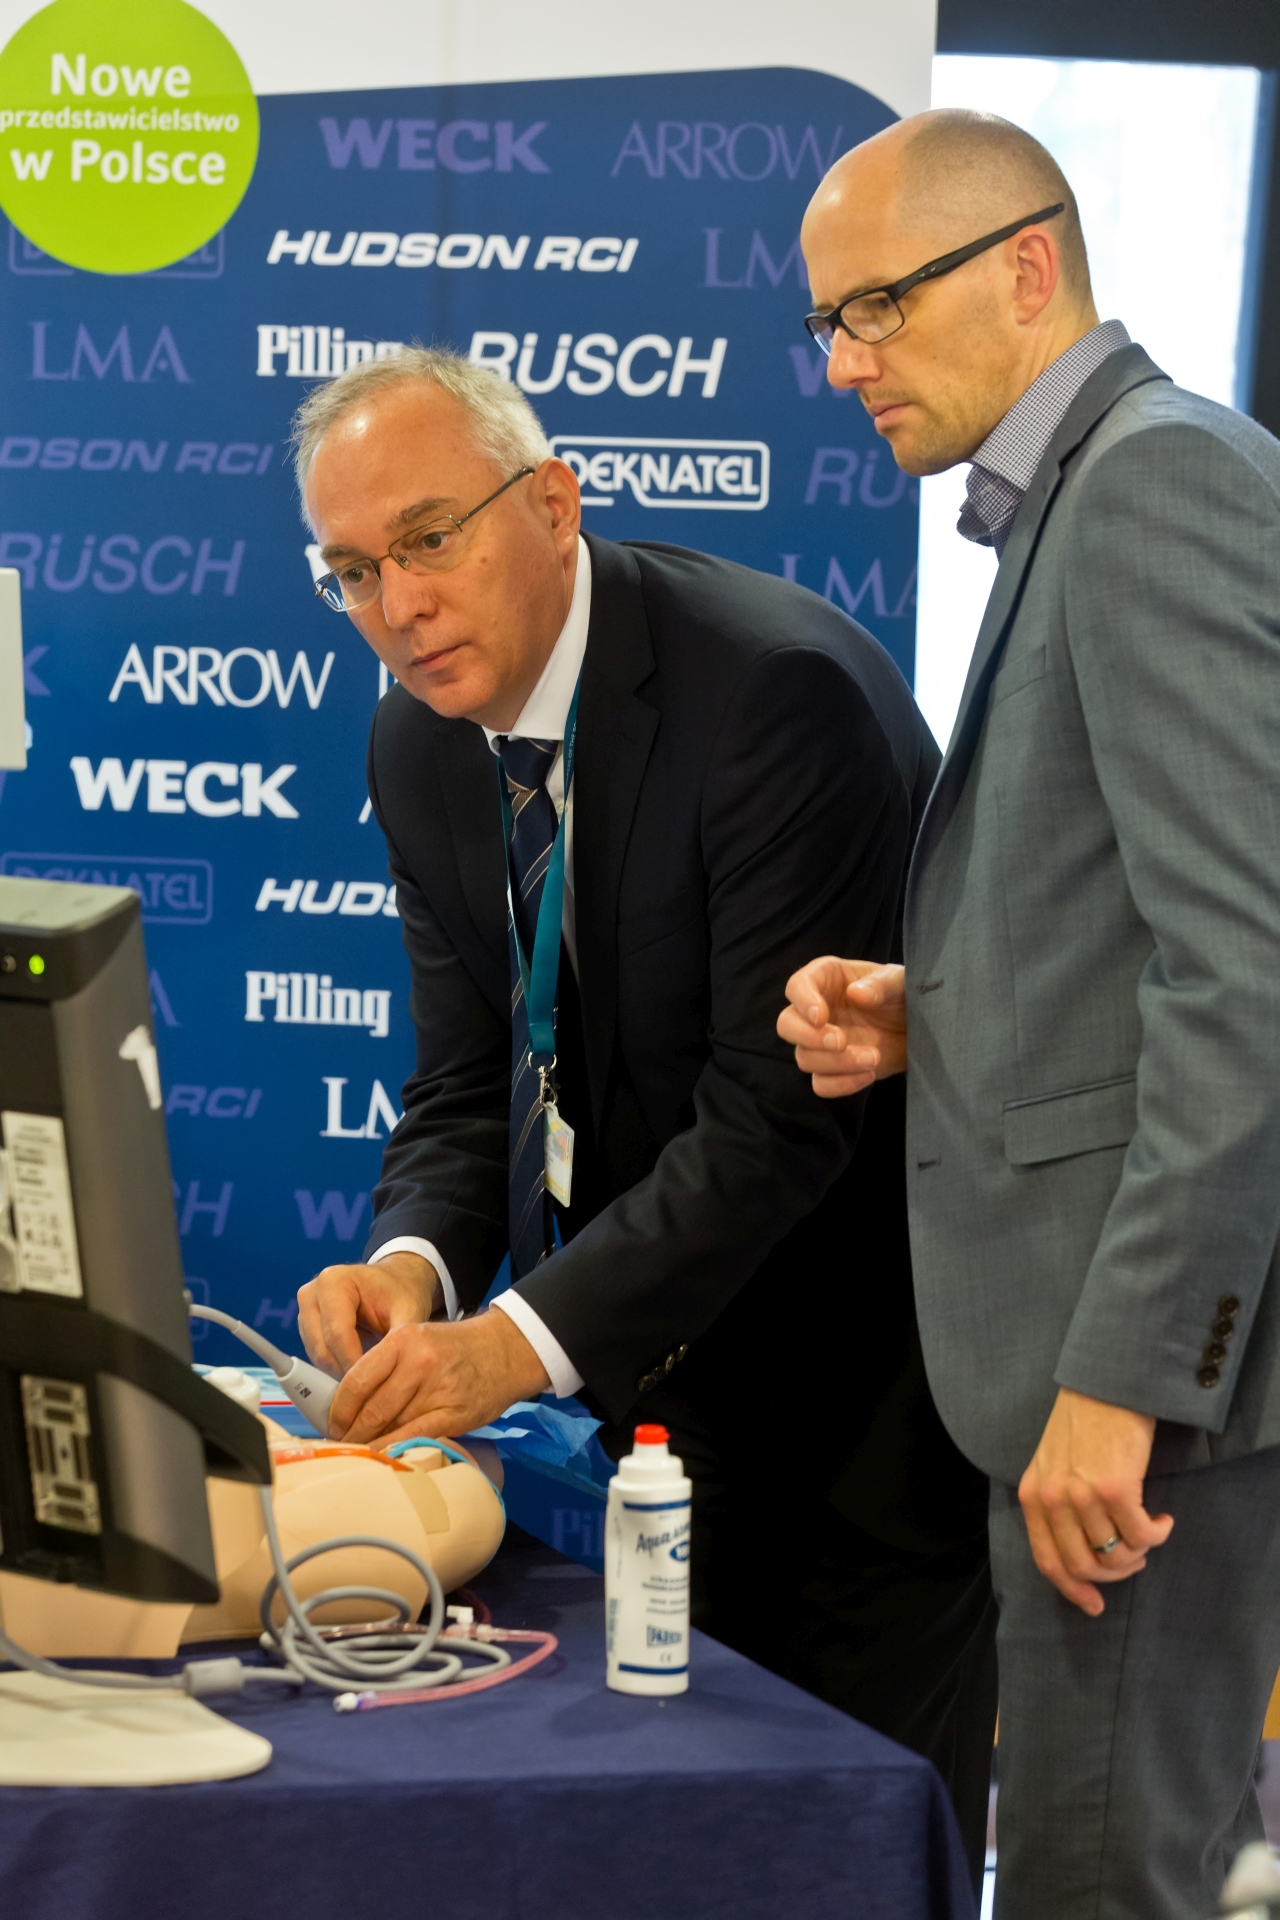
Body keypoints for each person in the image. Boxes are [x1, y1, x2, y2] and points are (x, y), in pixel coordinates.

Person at [289, 346, 997, 1875]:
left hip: (852, 1431)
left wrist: (509, 1346)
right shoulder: (418, 739)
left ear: (552, 504)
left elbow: (774, 1123)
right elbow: (470, 1074)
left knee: (832, 1875)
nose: (395, 604)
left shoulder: (772, 696)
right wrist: (412, 1266)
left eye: (428, 540)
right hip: (636, 1436)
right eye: (350, 571)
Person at [779, 107, 1280, 1920]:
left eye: (877, 309)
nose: (844, 363)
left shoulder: (1151, 484)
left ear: (1027, 268)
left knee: (1093, 1890)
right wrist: (944, 1010)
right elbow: (1141, 934)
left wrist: (1125, 1381)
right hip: (1097, 1382)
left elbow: (1250, 974)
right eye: (826, 323)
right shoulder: (1094, 488)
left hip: (1137, 1402)